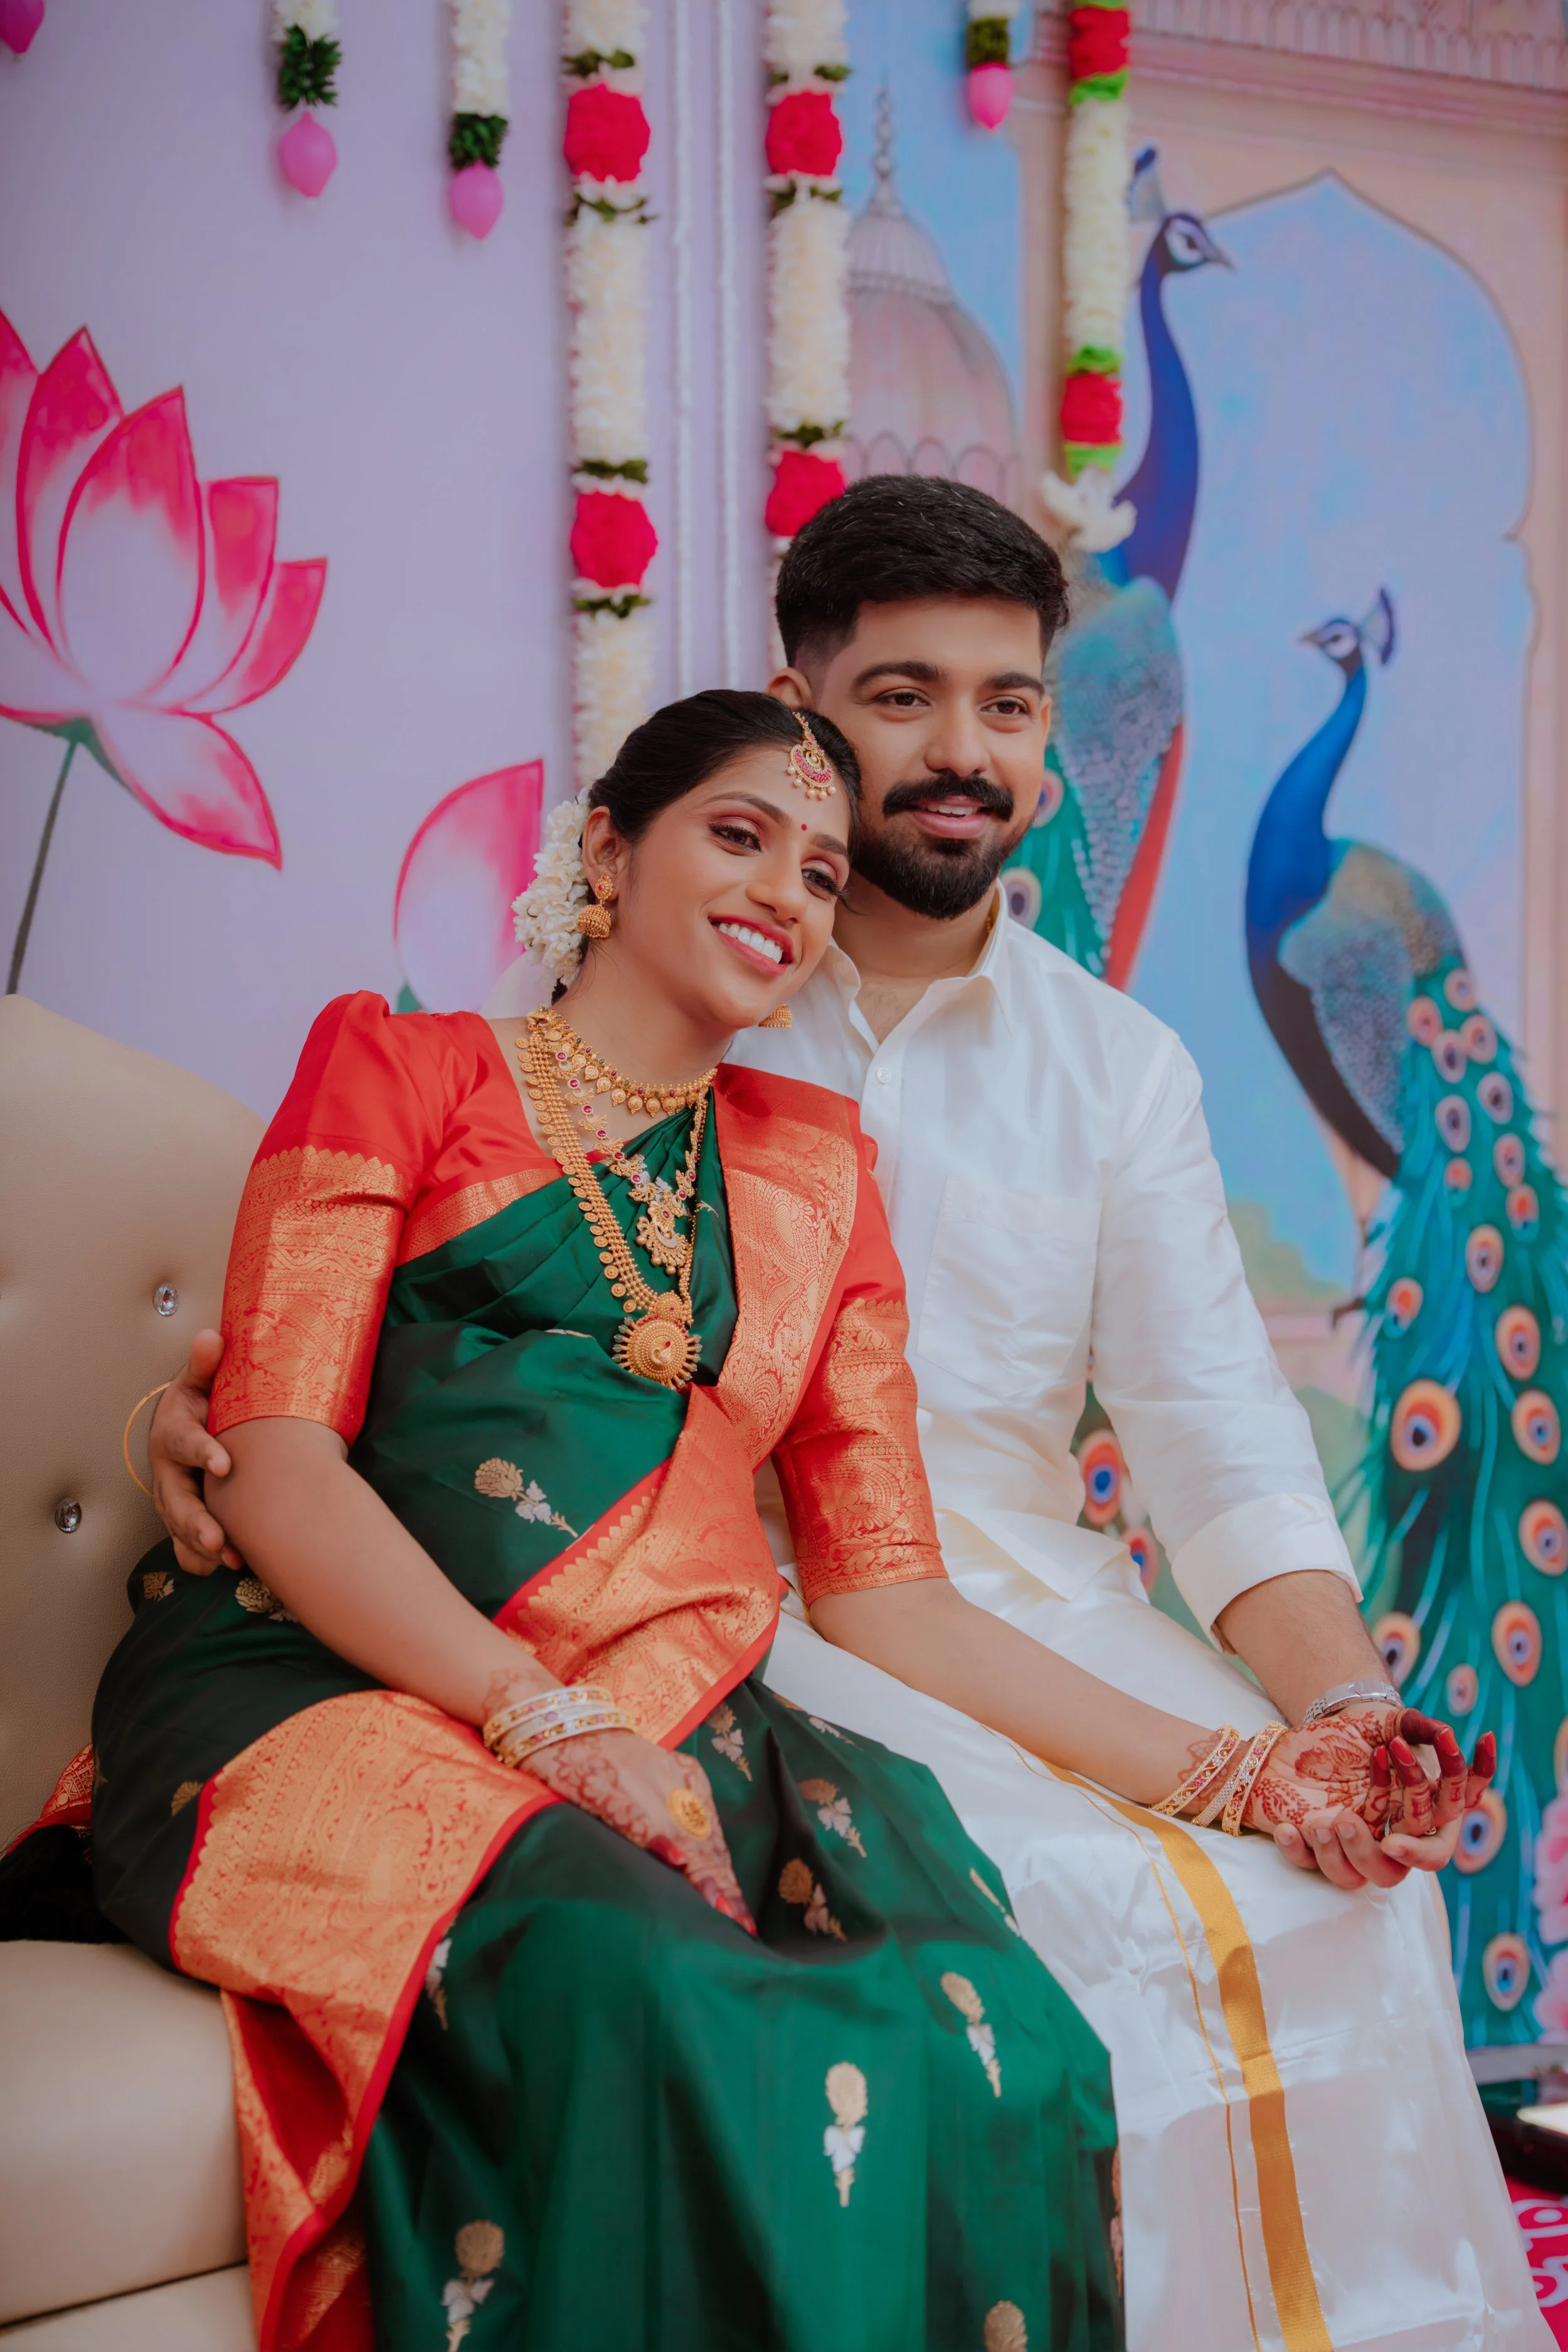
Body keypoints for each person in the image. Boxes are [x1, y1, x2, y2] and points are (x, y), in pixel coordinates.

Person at [144, 490, 1539, 2346]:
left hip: (1009, 1596)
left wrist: (1337, 1713)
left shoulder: (1113, 1069)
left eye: (1011, 705)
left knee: (1348, 1899)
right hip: (733, 1610)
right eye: (902, 695)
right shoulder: (660, 990)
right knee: (1071, 1900)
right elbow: (448, 1278)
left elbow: (1222, 1445)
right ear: (798, 701)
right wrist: (216, 1407)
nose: (962, 752)